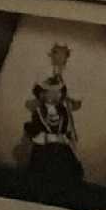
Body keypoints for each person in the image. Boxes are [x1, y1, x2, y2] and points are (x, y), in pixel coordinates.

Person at [21, 41, 82, 191]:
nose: (58, 57)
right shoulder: (45, 71)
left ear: (67, 55)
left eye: (61, 53)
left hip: (63, 113)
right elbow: (37, 91)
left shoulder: (72, 74)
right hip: (46, 116)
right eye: (55, 53)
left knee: (64, 153)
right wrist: (46, 95)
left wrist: (65, 96)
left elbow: (77, 102)